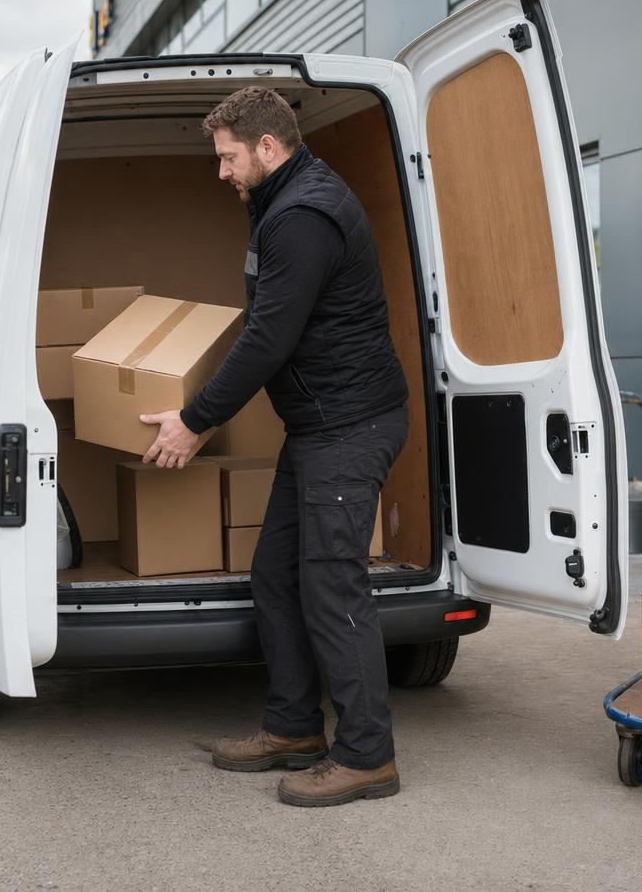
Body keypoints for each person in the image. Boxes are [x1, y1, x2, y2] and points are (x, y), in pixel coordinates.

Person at [138, 86, 409, 807]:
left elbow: (268, 339)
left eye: (228, 158)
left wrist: (195, 420)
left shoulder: (303, 216)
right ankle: (294, 727)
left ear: (267, 146)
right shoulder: (281, 201)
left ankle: (367, 757)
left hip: (351, 427)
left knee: (331, 586)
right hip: (321, 427)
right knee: (276, 577)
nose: (220, 172)